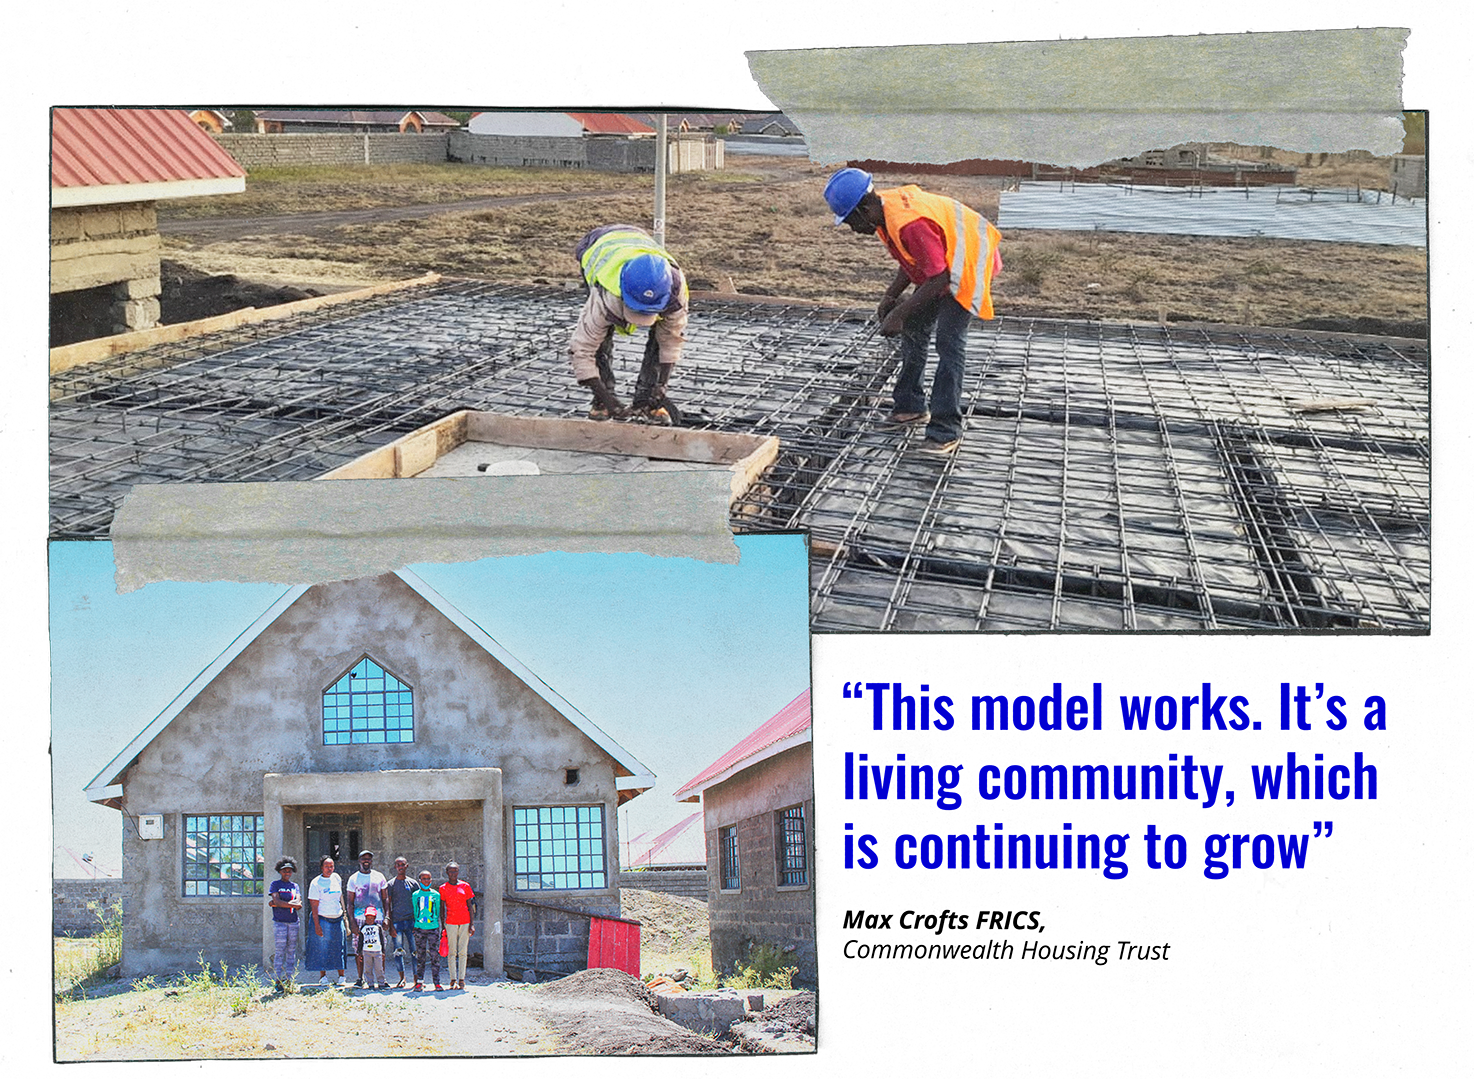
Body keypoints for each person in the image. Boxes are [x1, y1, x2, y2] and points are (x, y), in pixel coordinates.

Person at [822, 167, 1003, 456]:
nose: (853, 229)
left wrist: (900, 313)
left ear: (865, 209)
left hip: (968, 263)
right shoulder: (885, 213)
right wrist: (890, 297)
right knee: (916, 327)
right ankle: (910, 407)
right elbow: (914, 260)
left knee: (949, 343)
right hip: (944, 265)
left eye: (850, 222)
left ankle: (945, 431)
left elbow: (941, 277)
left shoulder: (909, 223)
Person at [570, 224, 690, 425]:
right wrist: (610, 402)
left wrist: (662, 385)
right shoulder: (606, 294)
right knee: (600, 336)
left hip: (636, 240)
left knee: (660, 339)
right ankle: (602, 399)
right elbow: (582, 349)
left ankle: (647, 401)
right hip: (597, 244)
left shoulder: (675, 295)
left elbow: (670, 341)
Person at [345, 850, 388, 988]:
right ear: (359, 860)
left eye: (369, 859)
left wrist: (387, 916)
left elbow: (385, 898)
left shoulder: (379, 877)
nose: (366, 861)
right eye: (364, 858)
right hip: (359, 918)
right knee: (360, 949)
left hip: (378, 918)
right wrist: (352, 922)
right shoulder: (353, 879)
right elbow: (350, 903)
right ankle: (360, 978)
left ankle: (382, 980)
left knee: (380, 949)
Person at [306, 855, 348, 986]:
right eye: (326, 866)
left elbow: (340, 898)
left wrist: (344, 915)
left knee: (339, 947)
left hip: (337, 918)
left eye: (331, 866)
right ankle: (323, 977)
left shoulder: (337, 878)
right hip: (323, 919)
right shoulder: (316, 883)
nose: (329, 869)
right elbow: (314, 906)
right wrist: (317, 925)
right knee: (322, 948)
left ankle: (341, 977)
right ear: (321, 867)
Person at [439, 862, 478, 990]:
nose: (453, 874)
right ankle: (452, 979)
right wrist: (443, 925)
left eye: (455, 871)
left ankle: (461, 979)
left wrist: (472, 924)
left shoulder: (465, 886)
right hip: (450, 922)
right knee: (452, 952)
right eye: (451, 871)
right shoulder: (443, 888)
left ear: (458, 872)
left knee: (463, 951)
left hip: (465, 921)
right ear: (447, 873)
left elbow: (470, 906)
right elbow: (442, 908)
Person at [267, 857, 302, 989]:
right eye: (284, 871)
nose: (287, 873)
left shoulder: (294, 886)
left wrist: (280, 904)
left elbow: (298, 904)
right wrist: (280, 904)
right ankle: (277, 980)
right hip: (280, 922)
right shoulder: (275, 884)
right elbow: (275, 901)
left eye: (289, 871)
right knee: (280, 950)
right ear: (280, 871)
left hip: (293, 922)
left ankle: (289, 979)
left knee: (291, 951)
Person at [410, 867, 445, 991]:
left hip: (433, 929)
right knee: (421, 956)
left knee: (435, 956)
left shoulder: (435, 895)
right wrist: (416, 924)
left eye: (428, 878)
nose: (426, 881)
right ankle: (419, 981)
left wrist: (440, 927)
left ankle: (437, 982)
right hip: (420, 929)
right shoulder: (415, 895)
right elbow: (415, 910)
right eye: (424, 879)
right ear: (419, 880)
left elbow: (438, 911)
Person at [358, 906, 389, 989]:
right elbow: (360, 940)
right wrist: (359, 952)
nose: (369, 920)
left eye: (371, 918)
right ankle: (370, 983)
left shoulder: (378, 927)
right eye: (368, 918)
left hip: (377, 951)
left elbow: (382, 939)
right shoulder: (363, 928)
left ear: (375, 918)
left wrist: (383, 951)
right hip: (366, 951)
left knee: (379, 968)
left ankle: (381, 983)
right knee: (367, 968)